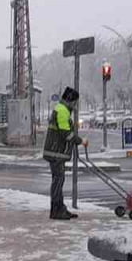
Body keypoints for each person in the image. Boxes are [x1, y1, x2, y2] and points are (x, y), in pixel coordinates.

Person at [43, 87, 82, 220]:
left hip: (55, 152)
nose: (76, 105)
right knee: (58, 181)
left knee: (58, 180)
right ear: (70, 100)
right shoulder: (62, 111)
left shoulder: (61, 109)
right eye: (75, 102)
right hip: (56, 153)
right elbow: (66, 133)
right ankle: (56, 210)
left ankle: (59, 208)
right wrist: (79, 140)